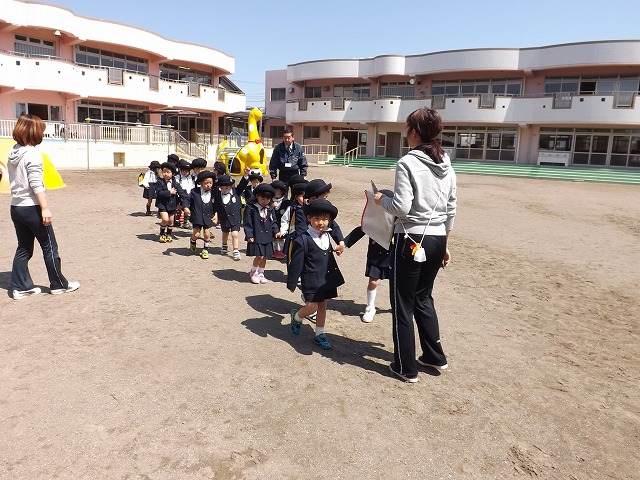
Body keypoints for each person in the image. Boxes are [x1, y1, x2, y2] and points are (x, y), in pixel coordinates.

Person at [374, 107, 457, 383]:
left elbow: (401, 207)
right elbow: (451, 208)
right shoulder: (446, 162)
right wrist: (445, 244)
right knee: (424, 298)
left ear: (414, 133)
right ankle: (434, 356)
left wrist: (381, 200)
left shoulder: (407, 162)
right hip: (436, 239)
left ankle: (405, 367)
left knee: (403, 304)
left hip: (411, 238)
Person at [7, 114, 80, 299]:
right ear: (34, 131)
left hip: (16, 207)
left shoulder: (13, 151)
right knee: (49, 246)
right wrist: (45, 208)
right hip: (31, 207)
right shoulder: (32, 153)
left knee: (24, 248)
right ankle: (58, 285)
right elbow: (35, 183)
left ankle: (20, 287)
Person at [287, 199, 344, 350]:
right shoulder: (302, 240)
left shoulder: (326, 235)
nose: (321, 223)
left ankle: (319, 334)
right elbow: (296, 263)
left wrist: (338, 249)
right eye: (317, 218)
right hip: (311, 279)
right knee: (311, 307)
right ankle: (297, 316)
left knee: (323, 306)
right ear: (309, 218)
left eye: (325, 219)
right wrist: (292, 282)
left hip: (326, 278)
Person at [343, 189, 393, 323]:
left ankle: (398, 305)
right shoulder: (372, 220)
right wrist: (344, 243)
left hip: (392, 257)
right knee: (373, 281)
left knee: (396, 283)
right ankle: (370, 307)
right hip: (375, 256)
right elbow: (360, 230)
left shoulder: (397, 221)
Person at [243, 183, 280, 284]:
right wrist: (249, 234)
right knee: (260, 255)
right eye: (263, 198)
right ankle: (253, 271)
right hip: (257, 235)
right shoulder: (251, 208)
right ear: (257, 196)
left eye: (268, 199)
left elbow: (273, 221)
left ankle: (261, 272)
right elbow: (247, 222)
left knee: (265, 255)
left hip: (267, 235)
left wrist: (276, 230)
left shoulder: (270, 208)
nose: (265, 201)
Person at [186, 170, 218, 259]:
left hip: (208, 215)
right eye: (206, 183)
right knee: (196, 234)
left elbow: (217, 205)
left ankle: (205, 249)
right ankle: (193, 241)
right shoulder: (194, 192)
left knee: (207, 234)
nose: (209, 185)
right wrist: (186, 207)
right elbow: (187, 199)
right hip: (197, 216)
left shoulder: (214, 192)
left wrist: (216, 214)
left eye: (211, 183)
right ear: (200, 183)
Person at [155, 162, 188, 243]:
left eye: (168, 172)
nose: (165, 174)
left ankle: (169, 234)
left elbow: (182, 193)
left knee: (171, 221)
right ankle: (162, 234)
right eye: (164, 172)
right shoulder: (159, 182)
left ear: (173, 174)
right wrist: (169, 192)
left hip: (172, 204)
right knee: (165, 219)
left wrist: (187, 200)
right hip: (162, 204)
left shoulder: (175, 183)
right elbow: (158, 193)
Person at [214, 174, 243, 260]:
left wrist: (245, 176)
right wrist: (215, 215)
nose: (224, 190)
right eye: (222, 188)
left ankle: (235, 250)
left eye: (226, 188)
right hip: (224, 218)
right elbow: (216, 207)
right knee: (225, 232)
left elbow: (242, 185)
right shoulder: (218, 195)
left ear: (231, 186)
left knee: (235, 234)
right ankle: (224, 245)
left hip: (235, 218)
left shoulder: (236, 192)